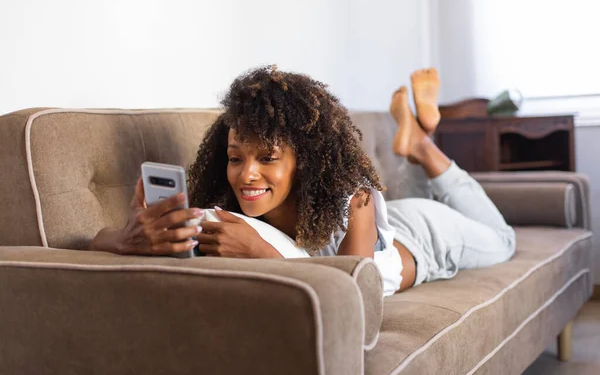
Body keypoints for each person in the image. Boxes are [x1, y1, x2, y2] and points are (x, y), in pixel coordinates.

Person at [90, 66, 515, 296]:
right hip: (398, 225)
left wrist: (263, 255)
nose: (246, 174)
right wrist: (128, 239)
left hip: (428, 240)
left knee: (503, 239)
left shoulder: (355, 199)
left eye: (268, 158)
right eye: (235, 158)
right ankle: (418, 138)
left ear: (305, 160)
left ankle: (422, 147)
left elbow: (357, 297)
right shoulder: (227, 214)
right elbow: (92, 240)